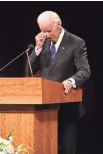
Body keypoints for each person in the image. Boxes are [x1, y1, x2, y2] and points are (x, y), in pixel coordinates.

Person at [27, 11, 91, 154]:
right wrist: (37, 48)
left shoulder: (76, 42)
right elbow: (30, 71)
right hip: (45, 108)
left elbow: (85, 70)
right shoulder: (43, 42)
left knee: (67, 149)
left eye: (49, 31)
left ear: (59, 24)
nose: (46, 35)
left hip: (67, 106)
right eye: (43, 31)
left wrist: (71, 80)